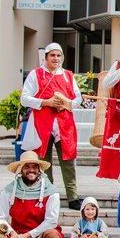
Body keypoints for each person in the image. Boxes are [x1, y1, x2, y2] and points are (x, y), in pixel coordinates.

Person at [21, 42, 82, 210]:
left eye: (58, 55)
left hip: (64, 124)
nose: (56, 58)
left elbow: (78, 98)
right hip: (43, 124)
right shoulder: (36, 74)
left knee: (68, 161)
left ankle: (72, 197)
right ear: (46, 57)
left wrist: (68, 104)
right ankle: (46, 195)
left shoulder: (68, 75)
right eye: (52, 55)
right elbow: (24, 98)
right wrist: (46, 102)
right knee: (43, 163)